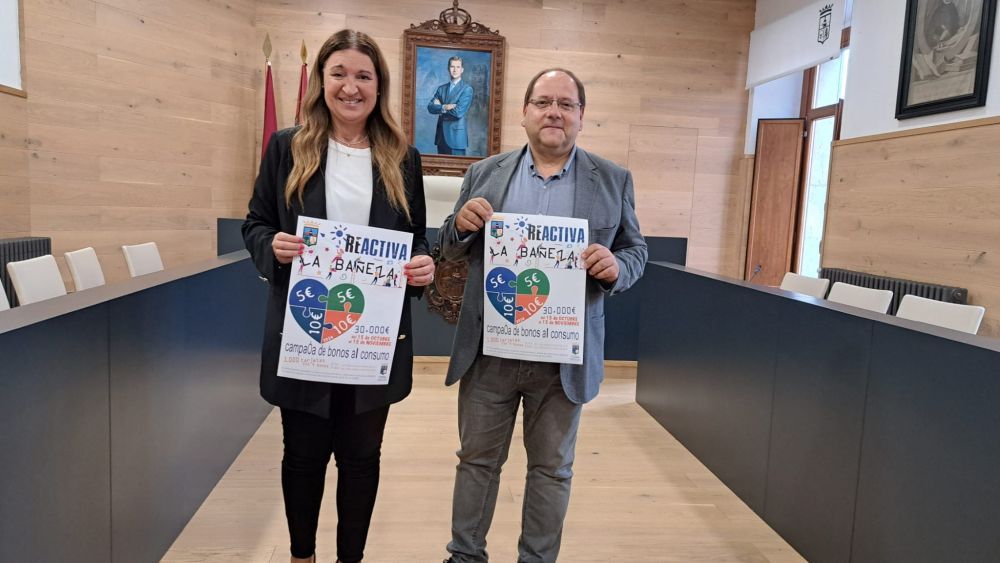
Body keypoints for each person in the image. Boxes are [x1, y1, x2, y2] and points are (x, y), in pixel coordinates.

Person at [438, 68, 648, 563]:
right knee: (476, 462)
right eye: (543, 102)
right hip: (492, 349)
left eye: (566, 104)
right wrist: (461, 226)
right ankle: (464, 556)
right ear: (525, 111)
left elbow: (635, 250)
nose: (554, 111)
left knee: (552, 469)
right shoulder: (485, 172)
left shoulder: (613, 179)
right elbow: (449, 244)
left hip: (564, 357)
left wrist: (617, 267)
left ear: (580, 116)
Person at [242, 29, 435, 563]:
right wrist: (271, 245)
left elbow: (415, 236)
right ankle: (301, 555)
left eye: (364, 76)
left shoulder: (403, 156)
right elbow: (256, 223)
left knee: (361, 459)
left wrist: (423, 263)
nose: (351, 87)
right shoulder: (287, 147)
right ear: (322, 81)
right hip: (304, 331)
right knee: (302, 458)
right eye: (339, 74)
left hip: (372, 340)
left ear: (380, 86)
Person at [427, 56, 474, 155]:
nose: (455, 70)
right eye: (452, 67)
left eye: (458, 67)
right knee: (440, 168)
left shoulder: (466, 89)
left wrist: (440, 107)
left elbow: (458, 112)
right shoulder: (441, 89)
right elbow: (430, 107)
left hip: (456, 138)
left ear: (462, 70)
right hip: (441, 137)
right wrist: (445, 107)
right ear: (448, 69)